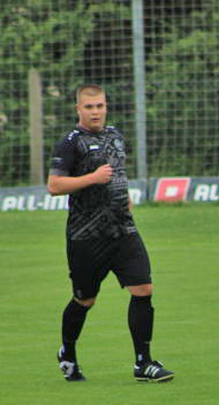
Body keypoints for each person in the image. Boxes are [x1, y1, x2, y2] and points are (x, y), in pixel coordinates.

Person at [47, 84, 174, 383]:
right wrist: (92, 178)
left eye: (100, 106)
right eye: (89, 107)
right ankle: (68, 352)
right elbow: (54, 186)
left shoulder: (115, 136)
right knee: (85, 300)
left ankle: (143, 362)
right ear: (78, 109)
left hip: (123, 229)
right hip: (86, 236)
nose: (95, 112)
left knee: (143, 289)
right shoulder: (70, 142)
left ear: (106, 107)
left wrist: (123, 197)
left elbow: (116, 174)